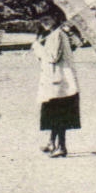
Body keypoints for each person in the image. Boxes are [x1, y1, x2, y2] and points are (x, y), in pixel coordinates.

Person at [32, 15, 80, 157]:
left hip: (59, 81)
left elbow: (52, 57)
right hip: (57, 80)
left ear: (55, 19)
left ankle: (61, 146)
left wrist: (37, 48)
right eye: (42, 20)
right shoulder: (56, 34)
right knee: (53, 112)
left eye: (48, 19)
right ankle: (52, 141)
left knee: (58, 113)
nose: (44, 22)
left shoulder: (57, 35)